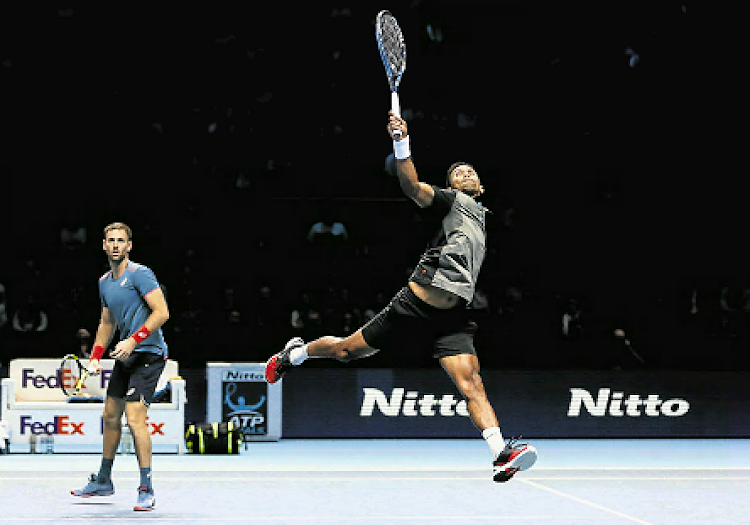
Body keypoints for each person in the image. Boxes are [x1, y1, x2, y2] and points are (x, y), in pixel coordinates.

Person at [265, 112, 537, 482]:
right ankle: (294, 354)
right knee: (346, 351)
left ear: (482, 185)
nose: (465, 174)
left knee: (471, 382)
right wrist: (401, 143)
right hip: (413, 306)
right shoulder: (451, 201)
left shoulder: (481, 215)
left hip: (452, 318)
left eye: (470, 171)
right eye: (458, 172)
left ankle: (500, 453)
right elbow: (412, 187)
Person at [70, 222, 169, 511]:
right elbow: (107, 322)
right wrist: (95, 356)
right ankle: (103, 480)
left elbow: (162, 312)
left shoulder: (141, 274)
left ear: (129, 246)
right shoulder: (104, 282)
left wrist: (133, 341)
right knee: (110, 415)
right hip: (126, 356)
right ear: (103, 245)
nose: (115, 245)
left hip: (148, 353)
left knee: (134, 416)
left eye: (121, 241)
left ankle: (146, 487)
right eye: (110, 240)